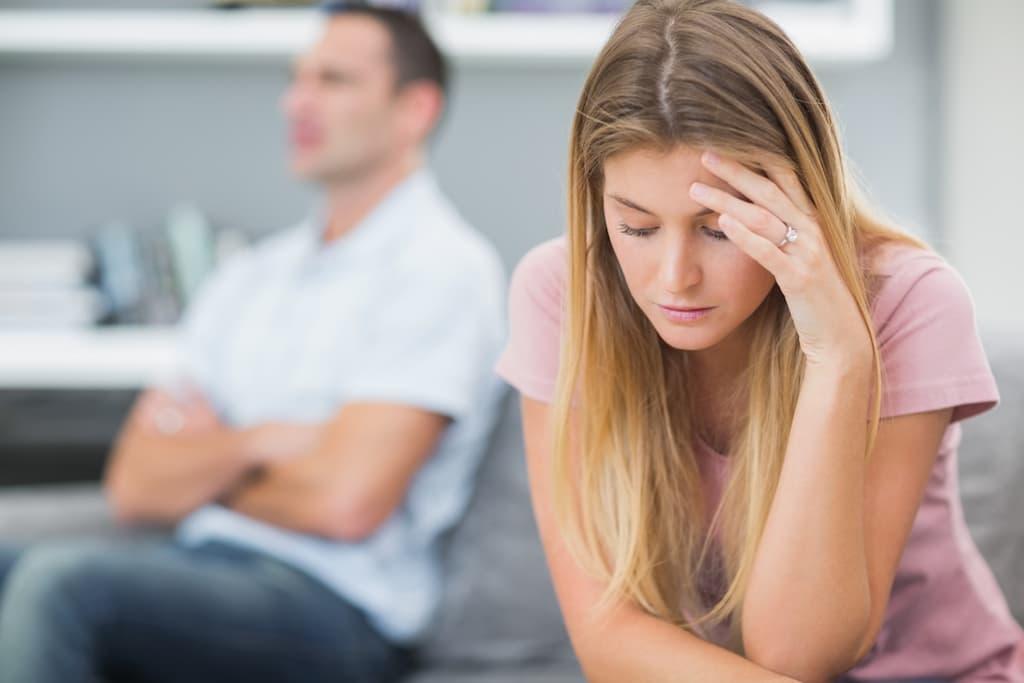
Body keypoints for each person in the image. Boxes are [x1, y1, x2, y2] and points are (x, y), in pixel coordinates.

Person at [495, 0, 1024, 681]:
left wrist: (837, 357)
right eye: (637, 227)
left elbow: (802, 652)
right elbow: (608, 637)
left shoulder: (910, 301)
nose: (675, 278)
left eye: (718, 229)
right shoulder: (560, 294)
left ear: (797, 197)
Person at [0, 4, 505, 682]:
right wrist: (261, 441)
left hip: (338, 607)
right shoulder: (251, 275)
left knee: (63, 584)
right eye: (297, 78)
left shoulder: (444, 270)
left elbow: (345, 503)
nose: (295, 101)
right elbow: (133, 482)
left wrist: (203, 470)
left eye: (333, 80)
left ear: (414, 108)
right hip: (195, 567)